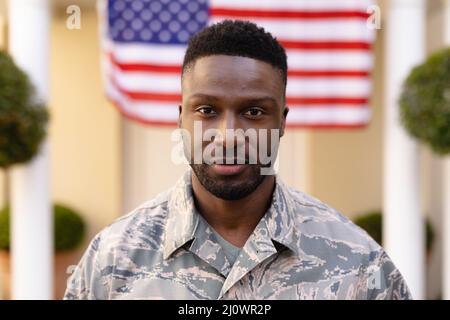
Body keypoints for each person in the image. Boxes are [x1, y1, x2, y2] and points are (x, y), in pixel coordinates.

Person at [64, 20, 411, 300]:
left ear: (282, 123)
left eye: (254, 111)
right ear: (181, 118)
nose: (229, 134)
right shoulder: (111, 259)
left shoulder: (360, 264)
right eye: (207, 110)